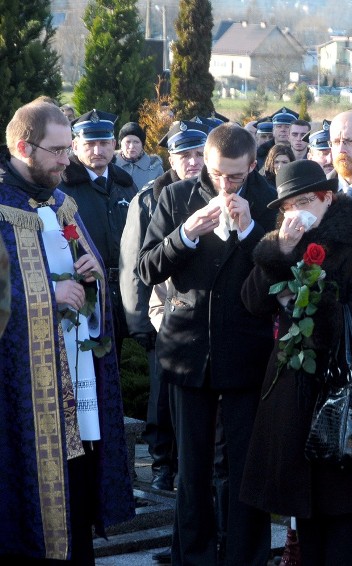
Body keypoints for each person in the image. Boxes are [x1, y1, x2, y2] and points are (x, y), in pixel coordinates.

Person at [240, 160, 352, 565]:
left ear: (327, 198)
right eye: (288, 205)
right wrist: (280, 252)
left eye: (305, 201)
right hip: (295, 384)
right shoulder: (285, 239)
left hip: (343, 379)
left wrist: (325, 314)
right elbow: (253, 301)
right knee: (304, 503)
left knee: (341, 500)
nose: (296, 212)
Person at [0, 100, 134, 563]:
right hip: (20, 398)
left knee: (75, 499)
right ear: (23, 146)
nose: (67, 160)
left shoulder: (62, 202)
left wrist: (94, 279)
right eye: (57, 151)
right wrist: (43, 301)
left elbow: (92, 290)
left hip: (75, 390)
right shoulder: (1, 208)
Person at [138, 123, 277, 565]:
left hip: (246, 352)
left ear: (252, 166)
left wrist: (253, 230)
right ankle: (193, 555)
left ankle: (244, 556)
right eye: (217, 174)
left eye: (235, 176)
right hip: (187, 350)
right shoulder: (177, 196)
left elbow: (283, 275)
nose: (224, 184)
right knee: (192, 469)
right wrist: (184, 236)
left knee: (242, 469)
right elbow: (146, 269)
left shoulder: (269, 199)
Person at [119, 120, 211, 495]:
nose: (191, 162)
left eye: (197, 154)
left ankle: (188, 468)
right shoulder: (149, 198)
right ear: (169, 158)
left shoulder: (214, 192)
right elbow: (134, 265)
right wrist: (140, 321)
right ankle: (161, 465)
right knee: (161, 401)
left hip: (201, 315)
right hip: (163, 312)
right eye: (183, 154)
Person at [60, 109, 137, 360]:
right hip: (86, 291)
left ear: (114, 145)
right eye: (89, 144)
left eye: (104, 143)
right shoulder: (64, 189)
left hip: (125, 288)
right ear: (74, 145)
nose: (97, 150)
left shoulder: (126, 185)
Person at [114, 121, 164, 188]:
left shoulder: (155, 168)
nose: (131, 146)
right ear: (120, 144)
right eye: (128, 142)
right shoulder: (110, 165)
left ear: (142, 145)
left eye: (136, 142)